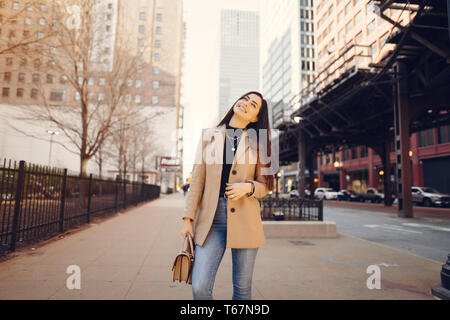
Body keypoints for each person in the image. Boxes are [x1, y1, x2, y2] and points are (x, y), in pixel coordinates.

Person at [180, 91, 274, 300]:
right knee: (200, 287)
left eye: (253, 105)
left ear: (256, 118)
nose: (246, 104)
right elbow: (197, 181)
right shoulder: (209, 136)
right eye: (244, 99)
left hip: (245, 219)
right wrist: (188, 219)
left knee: (242, 290)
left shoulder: (260, 142)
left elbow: (266, 186)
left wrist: (247, 188)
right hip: (212, 220)